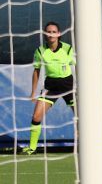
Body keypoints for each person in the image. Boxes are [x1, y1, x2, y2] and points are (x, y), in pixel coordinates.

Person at [21, 21, 75, 155]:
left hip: (68, 85)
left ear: (59, 34)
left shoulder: (68, 49)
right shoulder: (40, 51)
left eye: (53, 32)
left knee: (81, 115)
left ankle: (91, 145)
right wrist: (33, 92)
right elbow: (36, 71)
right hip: (50, 86)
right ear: (45, 34)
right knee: (36, 116)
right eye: (48, 32)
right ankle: (32, 148)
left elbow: (78, 66)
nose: (51, 34)